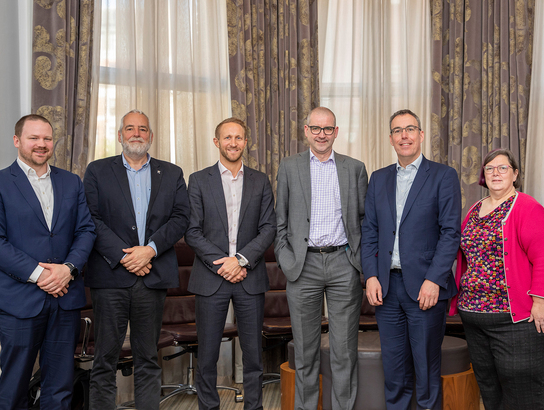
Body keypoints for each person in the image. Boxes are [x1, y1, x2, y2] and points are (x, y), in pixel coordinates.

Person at [0, 114, 95, 409]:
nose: (41, 144)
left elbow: (86, 231)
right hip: (18, 300)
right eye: (33, 138)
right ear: (17, 141)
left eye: (47, 138)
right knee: (14, 386)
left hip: (65, 298)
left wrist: (67, 270)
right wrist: (40, 275)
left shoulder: (71, 182)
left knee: (60, 388)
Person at [83, 109, 190, 409]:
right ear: (119, 135)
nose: (136, 134)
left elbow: (181, 217)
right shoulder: (97, 170)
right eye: (129, 128)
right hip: (110, 276)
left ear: (151, 136)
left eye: (142, 129)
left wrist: (150, 250)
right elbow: (91, 218)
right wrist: (125, 256)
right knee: (105, 358)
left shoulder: (171, 173)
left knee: (147, 358)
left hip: (152, 276)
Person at [361, 109, 461, 410]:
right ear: (391, 139)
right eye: (397, 130)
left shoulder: (443, 176)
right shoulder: (378, 179)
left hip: (425, 289)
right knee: (394, 370)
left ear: (420, 135)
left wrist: (434, 280)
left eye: (410, 129)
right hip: (387, 288)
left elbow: (450, 233)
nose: (404, 135)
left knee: (427, 371)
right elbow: (370, 231)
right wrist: (371, 276)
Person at [449, 149, 544, 409]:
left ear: (515, 174)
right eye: (490, 168)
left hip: (518, 318)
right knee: (489, 385)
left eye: (503, 168)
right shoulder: (475, 209)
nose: (496, 173)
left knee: (521, 386)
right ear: (483, 175)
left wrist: (541, 300)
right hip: (475, 316)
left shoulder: (526, 207)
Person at [275, 106, 368, 410]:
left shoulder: (354, 168)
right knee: (305, 351)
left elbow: (365, 221)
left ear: (336, 132)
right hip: (303, 266)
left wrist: (358, 261)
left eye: (328, 129)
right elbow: (280, 222)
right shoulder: (289, 167)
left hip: (343, 264)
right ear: (306, 131)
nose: (322, 134)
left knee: (344, 350)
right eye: (316, 128)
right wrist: (287, 259)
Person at [185, 117, 276, 410]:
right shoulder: (198, 180)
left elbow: (268, 228)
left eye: (238, 138)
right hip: (212, 278)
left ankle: (254, 407)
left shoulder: (261, 180)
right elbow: (192, 231)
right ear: (216, 142)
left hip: (249, 278)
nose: (233, 143)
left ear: (245, 142)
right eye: (227, 138)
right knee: (208, 356)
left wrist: (240, 261)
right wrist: (223, 264)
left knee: (253, 356)